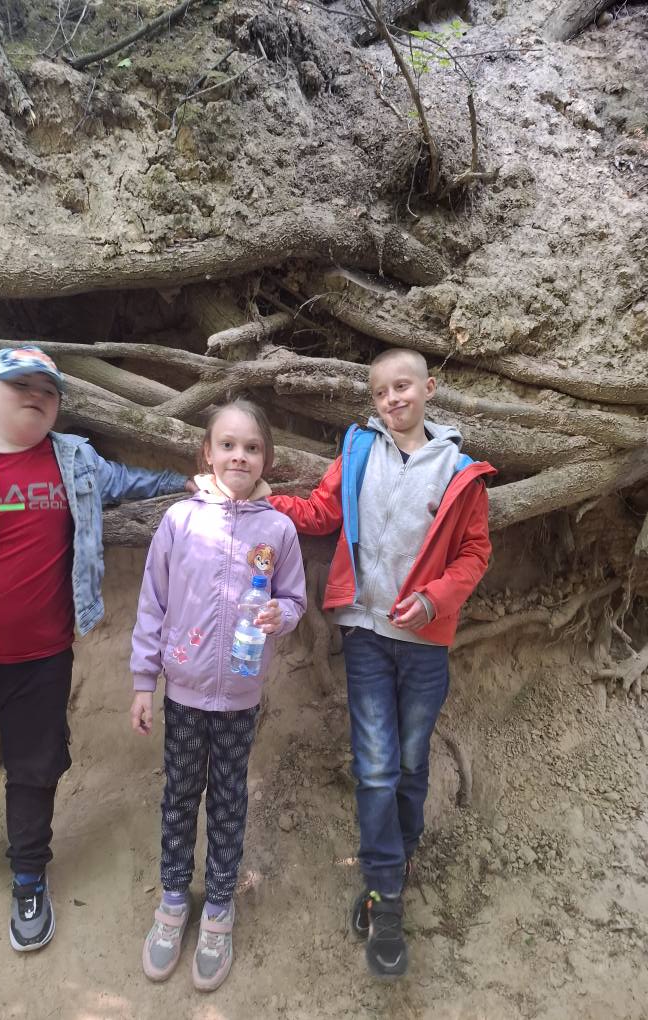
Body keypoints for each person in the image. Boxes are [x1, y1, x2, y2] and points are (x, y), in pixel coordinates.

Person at [0, 345, 193, 957]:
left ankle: (29, 877)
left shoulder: (76, 463)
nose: (35, 396)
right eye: (20, 385)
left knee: (35, 772)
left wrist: (184, 483)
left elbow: (127, 482)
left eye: (48, 390)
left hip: (44, 661)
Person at [270, 348, 495, 981]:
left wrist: (434, 599)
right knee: (375, 768)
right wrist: (264, 500)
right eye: (380, 392)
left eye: (403, 386)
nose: (392, 399)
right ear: (372, 402)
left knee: (411, 764)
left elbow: (475, 553)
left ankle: (400, 855)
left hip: (425, 642)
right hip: (365, 632)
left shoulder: (459, 471)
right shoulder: (360, 451)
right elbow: (322, 512)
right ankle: (386, 895)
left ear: (429, 388)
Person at [130, 399, 306, 992]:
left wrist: (281, 613)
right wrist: (143, 682)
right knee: (180, 796)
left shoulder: (278, 530)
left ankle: (220, 907)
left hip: (240, 698)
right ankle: (173, 900)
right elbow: (152, 603)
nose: (239, 456)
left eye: (252, 448)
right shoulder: (180, 521)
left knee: (229, 799)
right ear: (207, 453)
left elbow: (295, 600)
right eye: (227, 445)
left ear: (266, 460)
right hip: (182, 694)